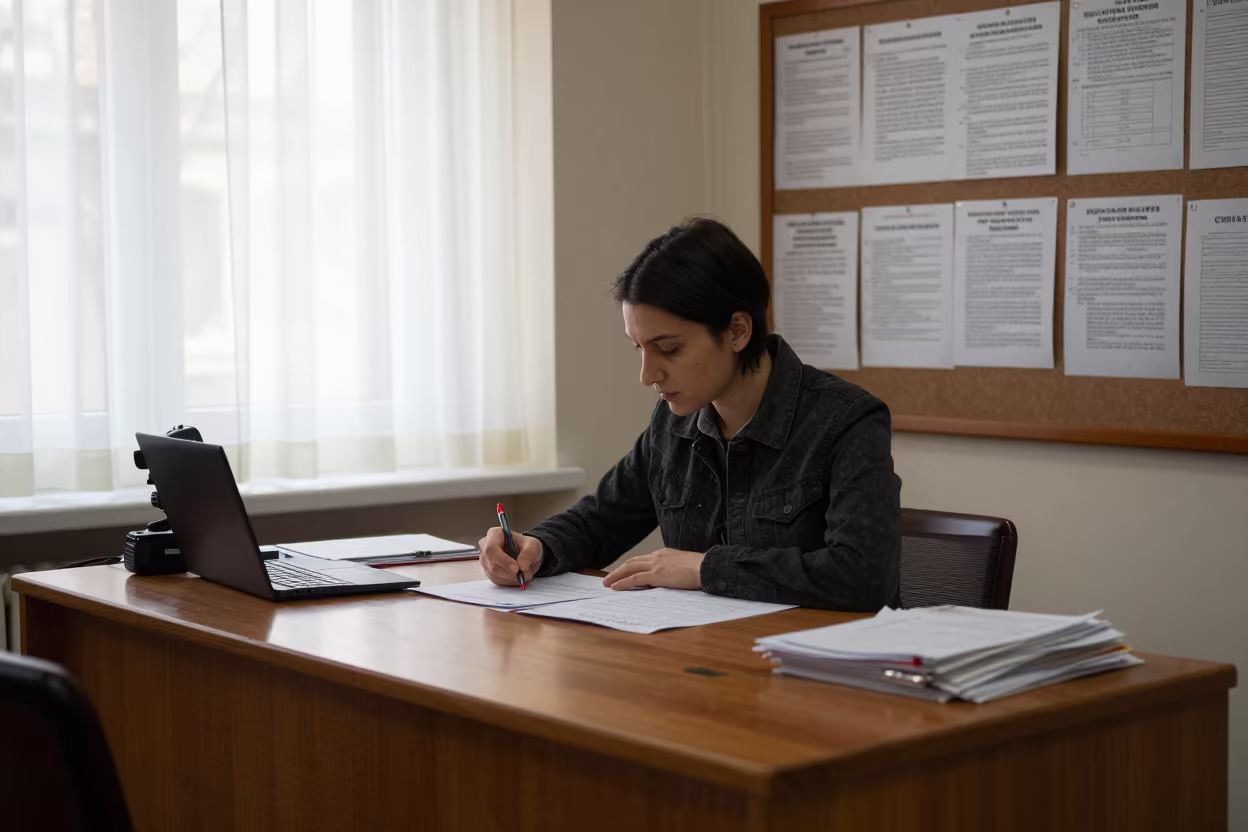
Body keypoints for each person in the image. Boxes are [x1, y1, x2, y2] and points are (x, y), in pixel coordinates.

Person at [478, 217, 901, 610]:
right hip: (704, 659)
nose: (647, 375)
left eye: (668, 349)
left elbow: (862, 576)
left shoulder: (846, 421)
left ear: (737, 331)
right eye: (639, 348)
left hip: (813, 672)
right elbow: (600, 522)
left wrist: (705, 568)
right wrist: (536, 546)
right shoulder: (673, 422)